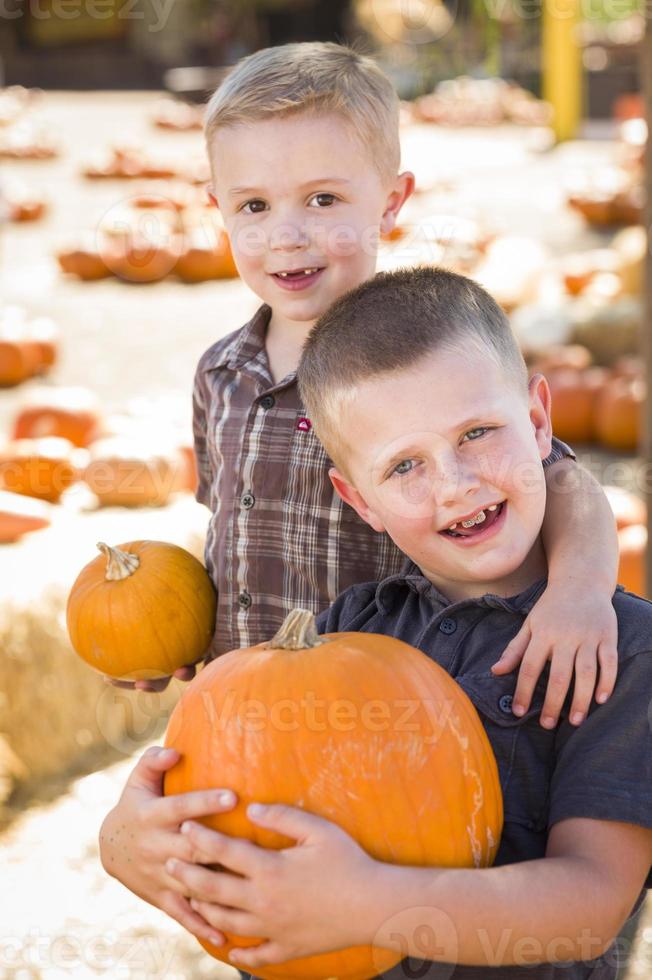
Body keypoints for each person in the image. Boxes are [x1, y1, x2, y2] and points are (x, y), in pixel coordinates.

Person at [98, 42, 623, 944]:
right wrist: (170, 630)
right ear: (216, 210)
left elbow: (563, 479)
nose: (288, 235)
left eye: (324, 200)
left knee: (386, 915)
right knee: (274, 921)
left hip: (396, 730)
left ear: (393, 200)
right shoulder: (220, 374)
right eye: (255, 206)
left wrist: (580, 592)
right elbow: (227, 523)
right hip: (257, 725)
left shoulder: (424, 363)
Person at [155, 267, 652, 980]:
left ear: (540, 422)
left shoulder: (622, 649)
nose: (454, 482)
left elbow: (592, 905)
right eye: (405, 466)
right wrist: (136, 842)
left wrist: (368, 905)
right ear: (360, 501)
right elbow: (249, 791)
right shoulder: (355, 625)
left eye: (477, 432)